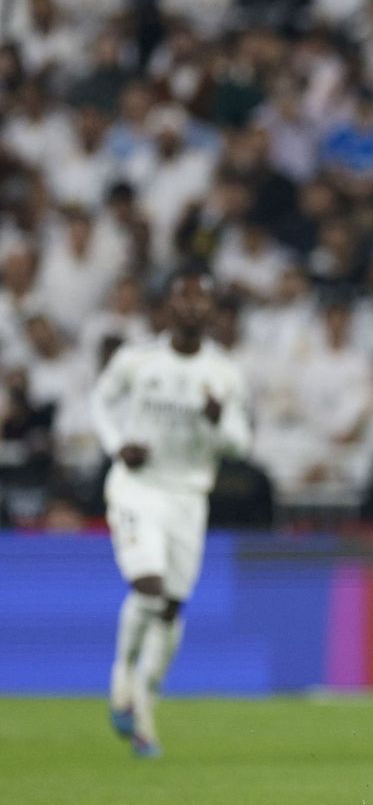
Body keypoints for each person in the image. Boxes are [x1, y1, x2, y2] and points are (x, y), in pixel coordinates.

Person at [90, 270, 253, 758]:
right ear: (168, 307)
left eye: (200, 300)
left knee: (171, 608)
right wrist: (119, 446)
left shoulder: (224, 375)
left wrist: (216, 419)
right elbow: (101, 400)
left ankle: (145, 703)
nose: (191, 308)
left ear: (210, 312)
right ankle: (122, 679)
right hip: (137, 489)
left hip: (187, 497)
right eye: (183, 298)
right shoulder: (137, 360)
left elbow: (241, 445)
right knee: (149, 585)